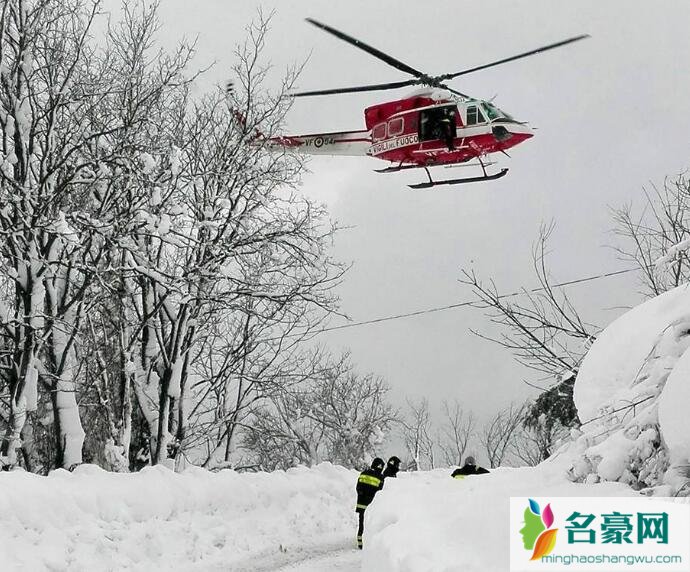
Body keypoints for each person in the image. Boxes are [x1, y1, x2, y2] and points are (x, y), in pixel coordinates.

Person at [355, 457, 385, 549]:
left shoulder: (363, 473)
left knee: (361, 523)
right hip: (372, 505)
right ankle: (367, 543)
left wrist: (362, 495)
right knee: (369, 524)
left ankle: (360, 543)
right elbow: (381, 492)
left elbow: (358, 487)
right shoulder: (380, 477)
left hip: (361, 503)